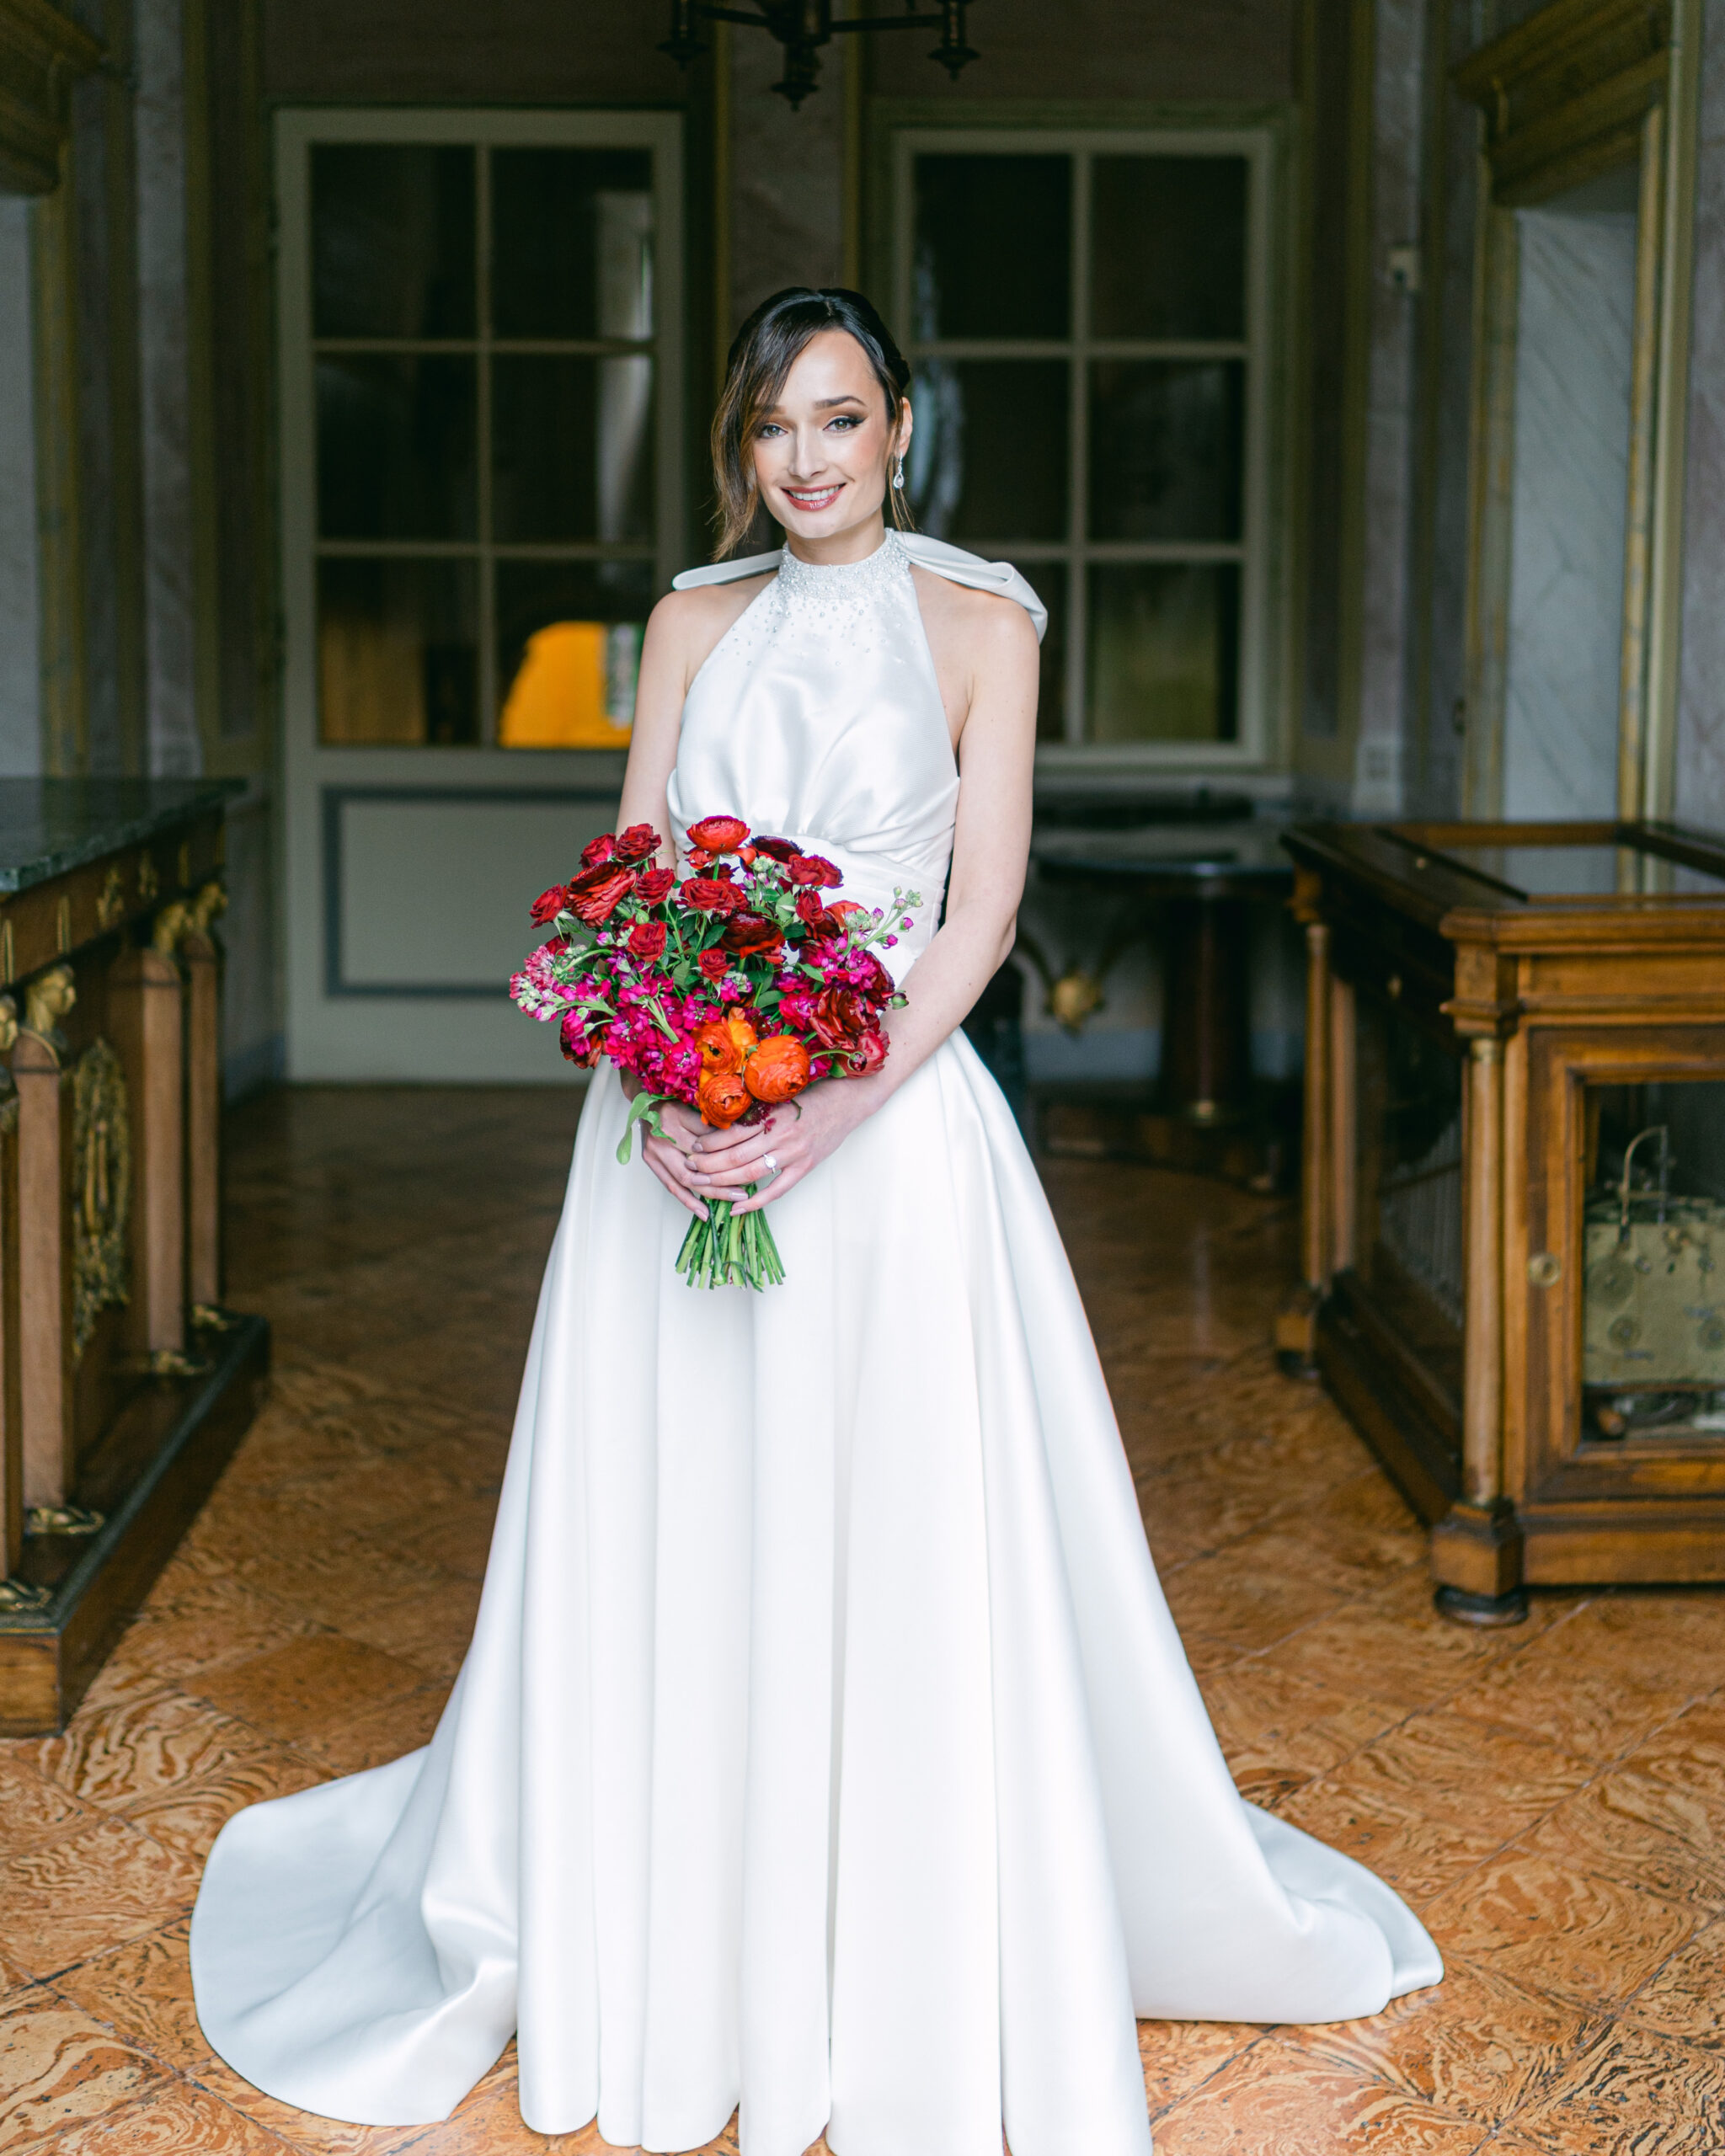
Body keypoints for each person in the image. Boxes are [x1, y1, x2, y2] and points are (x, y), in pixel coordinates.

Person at [191, 287, 1440, 2156]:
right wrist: (666, 1071)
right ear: (738, 444)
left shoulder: (983, 618)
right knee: (675, 1514)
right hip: (671, 1142)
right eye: (774, 427)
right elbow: (633, 885)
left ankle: (880, 1940)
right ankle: (673, 1931)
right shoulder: (689, 616)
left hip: (891, 1142)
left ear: (901, 427)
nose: (806, 461)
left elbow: (980, 916)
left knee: (886, 1526)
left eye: (839, 420)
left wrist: (828, 1108)